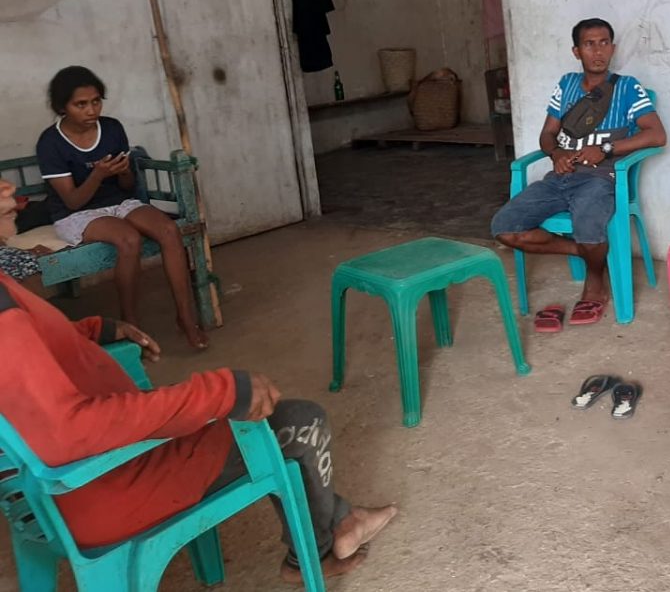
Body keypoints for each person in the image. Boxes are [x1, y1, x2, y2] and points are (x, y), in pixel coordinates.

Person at [0, 175, 397, 583]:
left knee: (244, 413)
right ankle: (314, 554)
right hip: (107, 486)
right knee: (297, 421)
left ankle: (343, 519)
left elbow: (36, 350)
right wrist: (219, 392)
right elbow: (69, 431)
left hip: (72, 488)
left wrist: (94, 329)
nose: (9, 187)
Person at [491, 18, 668, 326]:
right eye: (589, 44)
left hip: (601, 179)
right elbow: (548, 134)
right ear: (576, 51)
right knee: (505, 228)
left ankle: (595, 280)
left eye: (604, 43)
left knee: (589, 226)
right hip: (560, 178)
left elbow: (657, 135)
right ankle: (586, 252)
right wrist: (556, 153)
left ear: (613, 48)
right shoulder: (566, 85)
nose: (598, 51)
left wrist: (607, 149)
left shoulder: (627, 88)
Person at [36, 66, 208, 350]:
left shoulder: (112, 128)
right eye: (81, 104)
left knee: (168, 230)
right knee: (128, 239)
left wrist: (124, 171)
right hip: (76, 214)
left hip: (117, 202)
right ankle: (130, 322)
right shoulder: (50, 142)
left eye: (96, 101)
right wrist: (98, 174)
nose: (91, 110)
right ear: (62, 107)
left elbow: (126, 187)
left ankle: (185, 317)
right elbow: (73, 201)